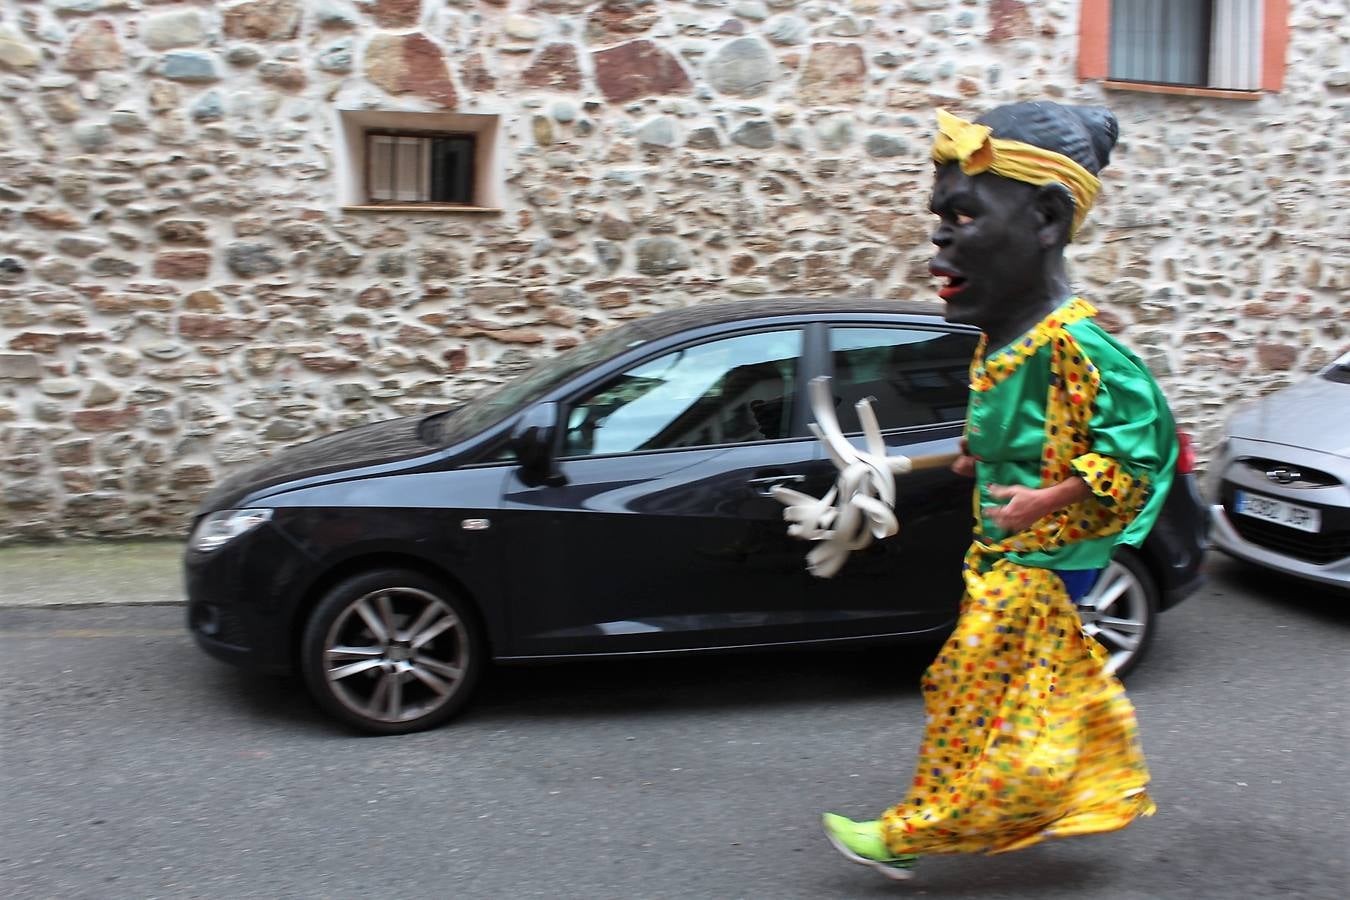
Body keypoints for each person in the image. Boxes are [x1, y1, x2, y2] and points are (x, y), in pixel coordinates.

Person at [820, 101, 1178, 880]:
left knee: (980, 689)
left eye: (963, 215)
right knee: (986, 693)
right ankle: (1072, 790)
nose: (939, 237)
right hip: (1008, 553)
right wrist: (970, 457)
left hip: (1044, 560)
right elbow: (1018, 425)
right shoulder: (1009, 337)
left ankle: (919, 830)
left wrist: (1044, 501)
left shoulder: (1080, 347)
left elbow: (1138, 454)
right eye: (937, 217)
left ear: (1046, 218)